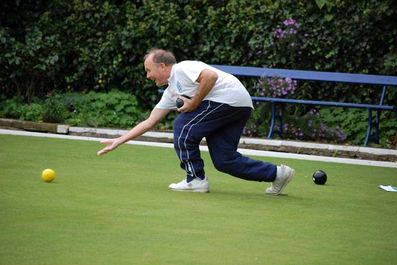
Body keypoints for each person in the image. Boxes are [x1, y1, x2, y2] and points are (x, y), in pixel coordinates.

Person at [97, 48, 295, 195]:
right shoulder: (171, 91)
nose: (147, 75)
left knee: (182, 127)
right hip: (240, 105)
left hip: (229, 98)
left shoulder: (182, 68)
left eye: (149, 70)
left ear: (162, 66)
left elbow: (210, 75)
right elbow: (150, 121)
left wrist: (194, 103)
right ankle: (278, 174)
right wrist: (118, 141)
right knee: (224, 160)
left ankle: (196, 179)